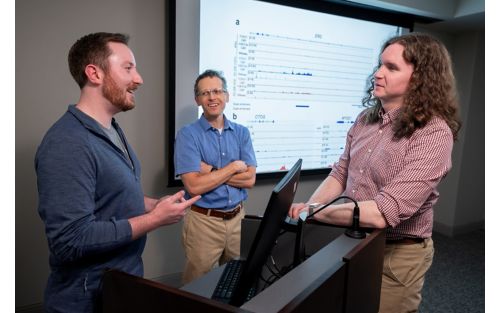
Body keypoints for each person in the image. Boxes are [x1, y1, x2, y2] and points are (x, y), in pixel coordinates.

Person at [289, 33, 461, 313]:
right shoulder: (365, 120)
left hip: (395, 255)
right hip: (349, 240)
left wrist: (315, 212)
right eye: (380, 65)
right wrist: (311, 208)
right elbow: (340, 173)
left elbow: (383, 212)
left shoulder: (434, 133)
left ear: (420, 79)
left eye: (391, 68)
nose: (377, 74)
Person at [35, 32, 200, 313]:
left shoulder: (111, 129)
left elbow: (110, 197)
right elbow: (70, 240)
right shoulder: (67, 143)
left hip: (120, 288)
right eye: (128, 68)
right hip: (87, 300)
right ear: (94, 73)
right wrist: (154, 219)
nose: (139, 79)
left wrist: (152, 204)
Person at [174, 69, 257, 284]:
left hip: (238, 220)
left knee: (235, 283)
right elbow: (193, 186)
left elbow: (249, 180)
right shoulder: (187, 135)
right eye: (205, 93)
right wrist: (232, 168)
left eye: (217, 91)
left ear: (226, 96)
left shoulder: (242, 133)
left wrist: (210, 171)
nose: (212, 97)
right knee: (197, 289)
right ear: (197, 100)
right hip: (204, 223)